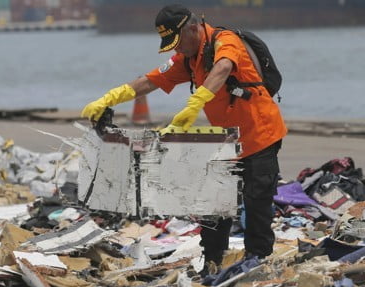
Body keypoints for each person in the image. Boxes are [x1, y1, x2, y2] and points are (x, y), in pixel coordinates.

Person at [81, 4, 288, 269]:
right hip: (226, 141)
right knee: (214, 203)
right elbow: (152, 80)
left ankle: (258, 262)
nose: (176, 49)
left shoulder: (225, 41)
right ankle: (212, 261)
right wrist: (110, 98)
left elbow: (224, 67)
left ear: (193, 28)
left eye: (178, 42)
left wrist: (196, 102)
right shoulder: (189, 58)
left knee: (256, 202)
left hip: (260, 134)